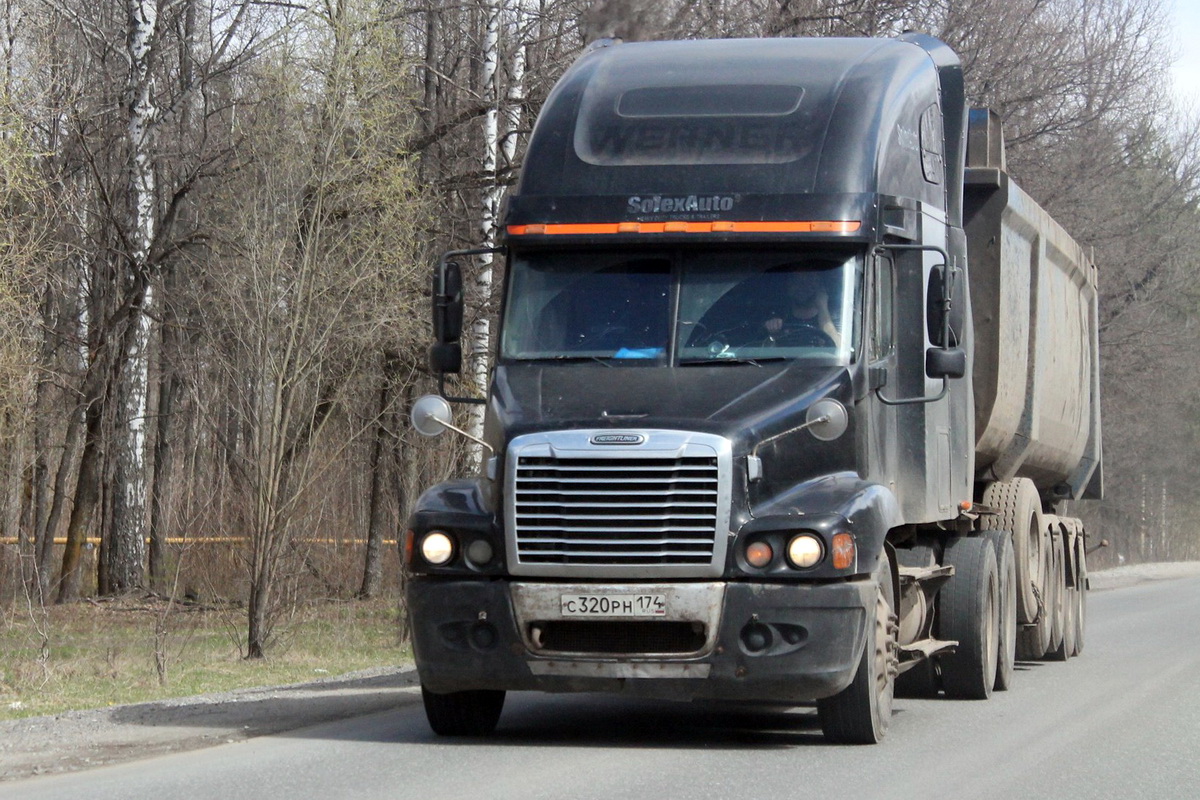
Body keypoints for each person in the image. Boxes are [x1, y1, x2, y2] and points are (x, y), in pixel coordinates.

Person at [763, 269, 842, 347]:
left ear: (819, 285)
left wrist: (822, 308)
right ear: (788, 285)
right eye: (796, 281)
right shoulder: (780, 315)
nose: (802, 286)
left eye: (809, 280)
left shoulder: (835, 315)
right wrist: (773, 333)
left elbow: (841, 350)